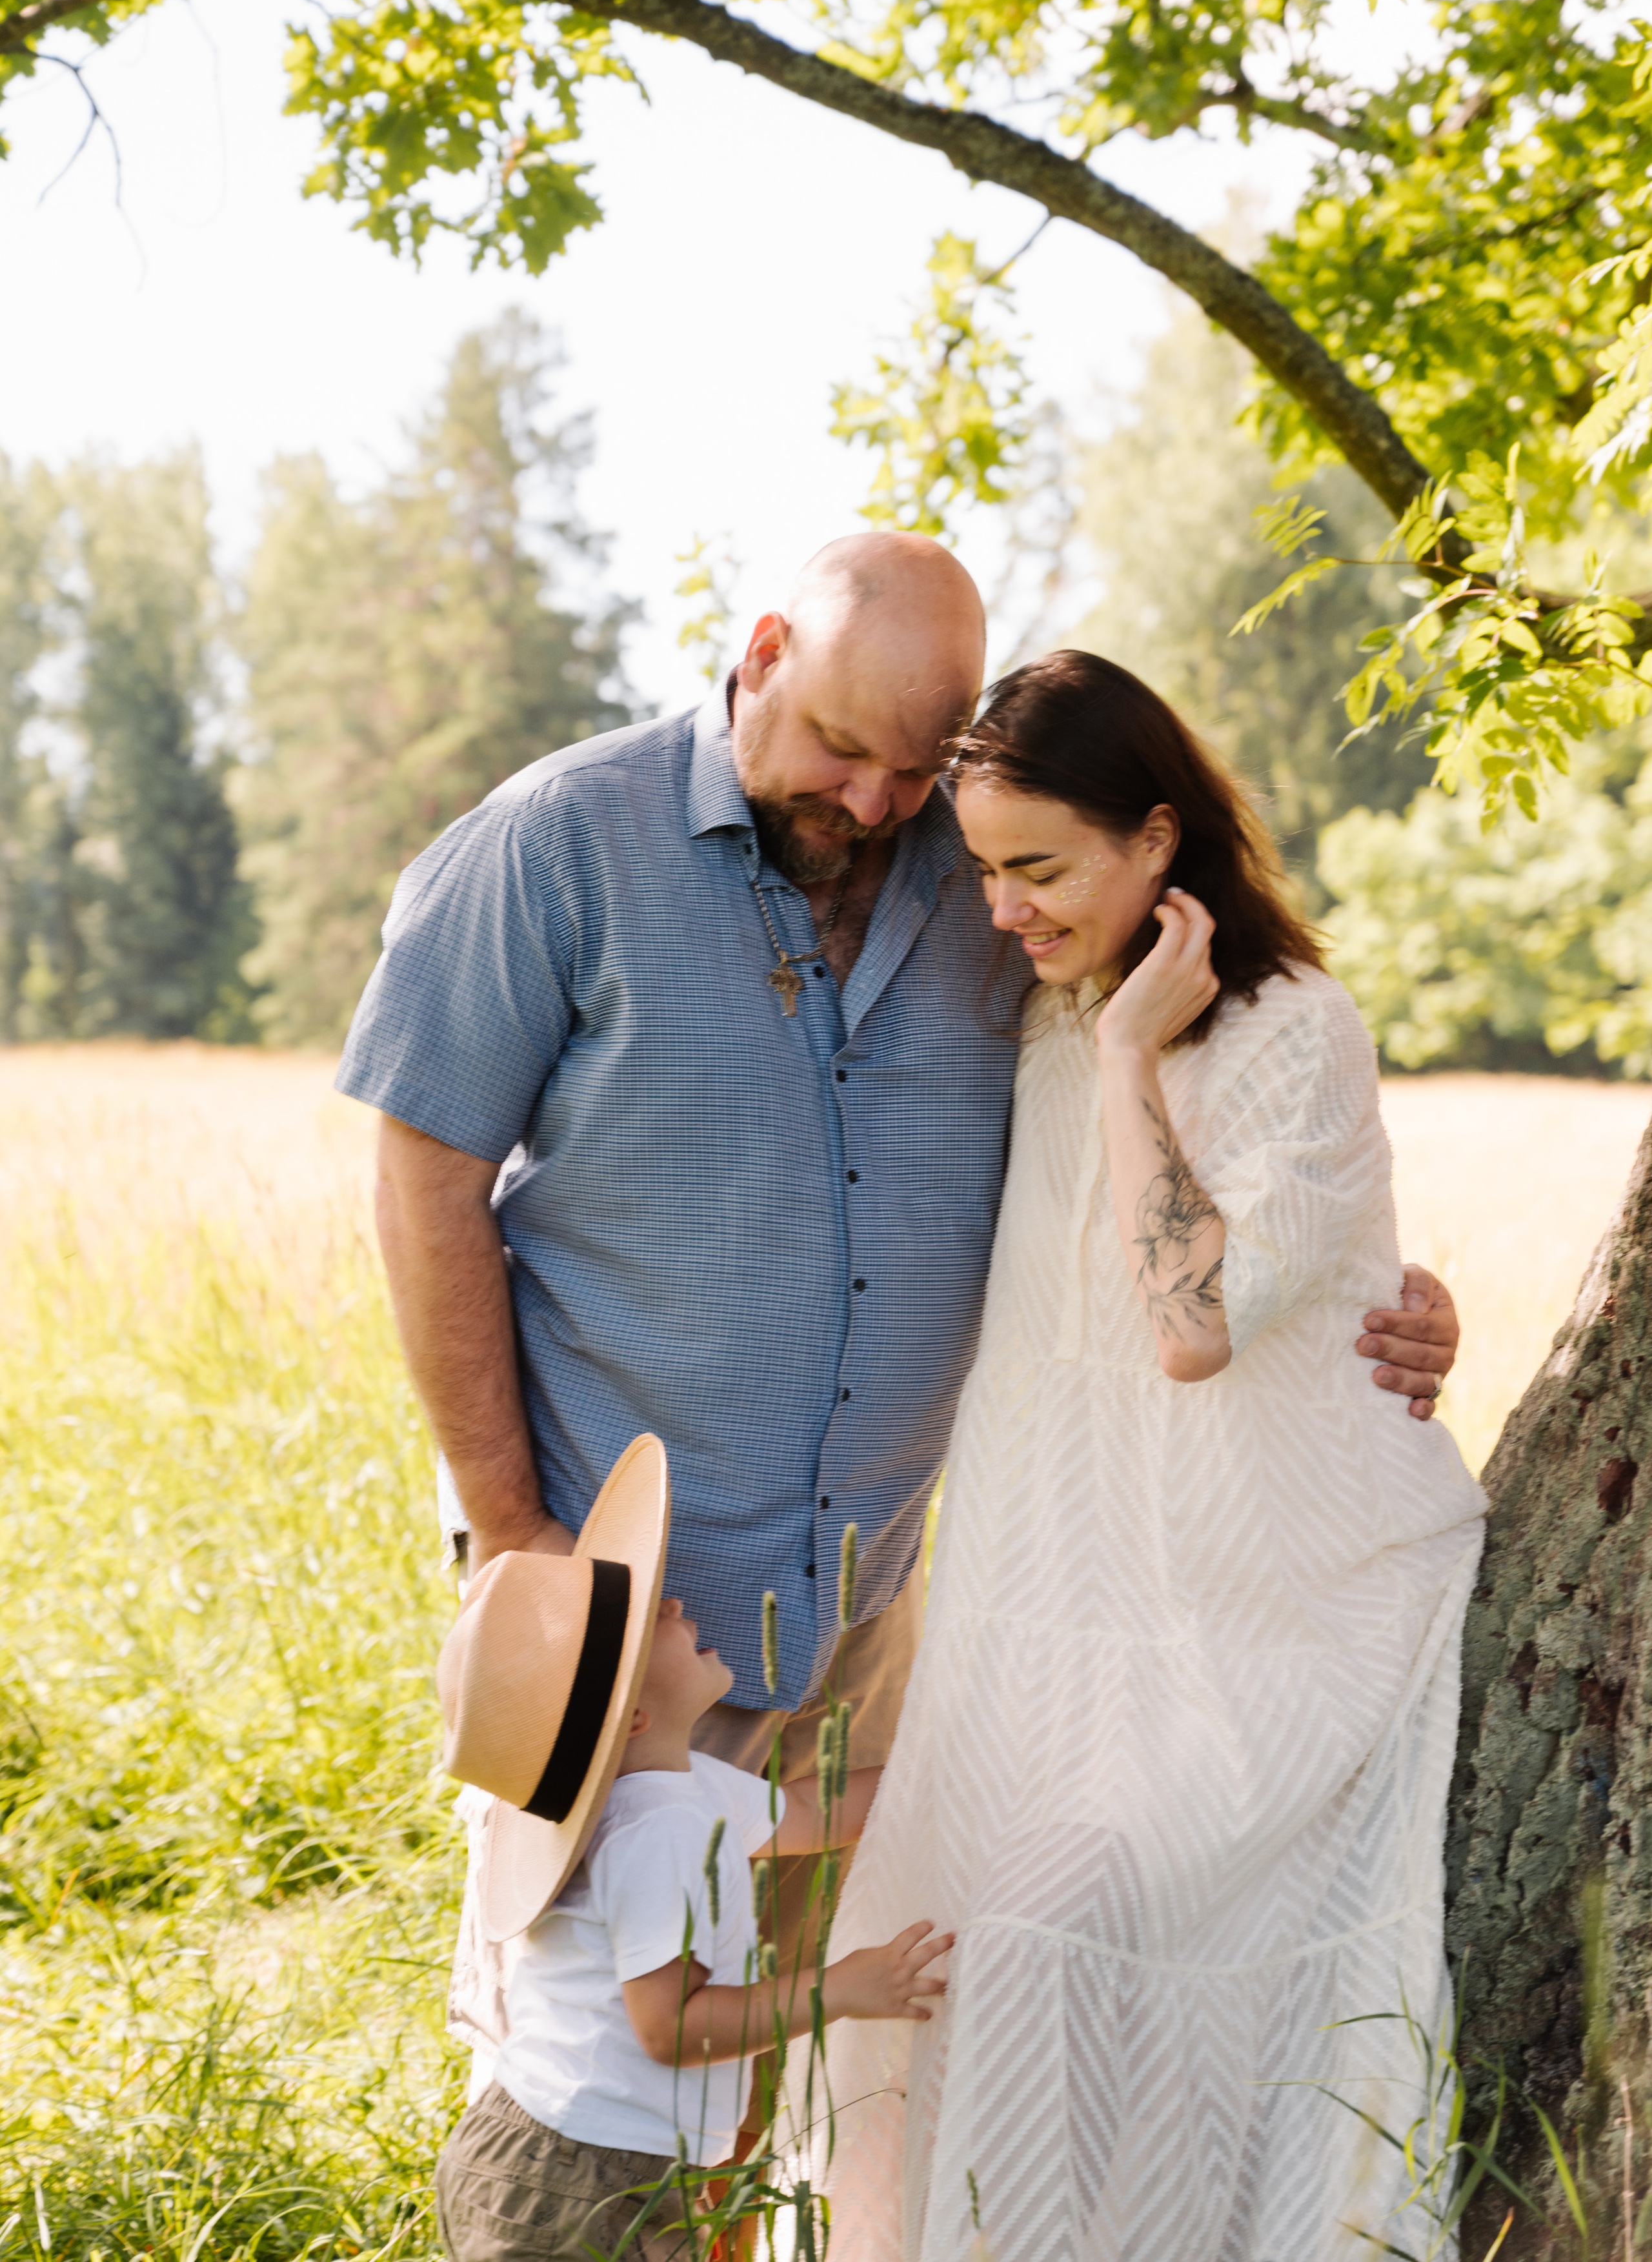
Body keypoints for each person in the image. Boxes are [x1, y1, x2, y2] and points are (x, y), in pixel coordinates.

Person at [333, 534, 1460, 2063]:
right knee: (592, 2069)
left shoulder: (983, 873)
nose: (871, 801)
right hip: (632, 1628)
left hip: (883, 1617)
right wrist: (517, 1533)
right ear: (762, 648)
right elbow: (423, 1181)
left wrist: (1354, 1299)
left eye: (910, 768)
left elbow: (1158, 1146)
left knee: (825, 2060)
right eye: (840, 747)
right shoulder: (552, 847)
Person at [813, 652, 1490, 2262]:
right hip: (1061, 1592)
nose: (999, 911)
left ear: (1158, 838)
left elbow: (1187, 1327)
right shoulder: (1037, 1005)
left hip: (1274, 1611)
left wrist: (1129, 1060)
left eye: (1035, 868)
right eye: (980, 870)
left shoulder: (1282, 1030)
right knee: (922, 1936)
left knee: (1048, 1930)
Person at [432, 1435, 950, 2262]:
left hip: (574, 2156)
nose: (674, 1607)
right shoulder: (659, 1833)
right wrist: (842, 1987)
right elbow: (671, 2028)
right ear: (633, 1716)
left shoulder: (689, 1787)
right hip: (584, 2178)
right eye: (651, 1626)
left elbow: (818, 1811)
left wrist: (959, 1769)